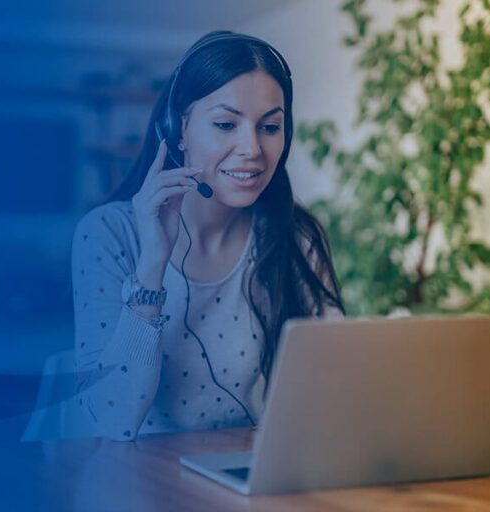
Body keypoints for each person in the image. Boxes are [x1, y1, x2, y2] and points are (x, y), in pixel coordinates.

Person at [71, 31, 345, 441]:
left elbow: (339, 382)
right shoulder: (108, 233)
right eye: (225, 124)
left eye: (270, 126)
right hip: (130, 480)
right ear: (178, 129)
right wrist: (152, 266)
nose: (252, 148)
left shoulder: (292, 235)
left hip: (239, 474)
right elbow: (113, 420)